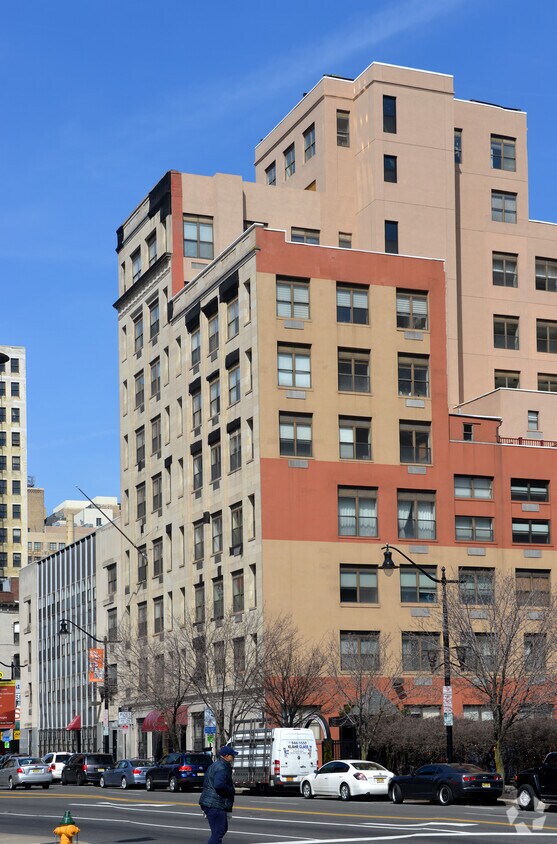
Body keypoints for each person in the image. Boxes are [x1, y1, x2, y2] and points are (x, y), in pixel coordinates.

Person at [199, 744, 238, 844]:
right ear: (226, 756)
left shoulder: (216, 765)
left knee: (221, 830)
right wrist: (231, 790)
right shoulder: (222, 767)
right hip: (215, 804)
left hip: (211, 803)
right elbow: (219, 785)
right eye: (232, 755)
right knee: (218, 832)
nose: (234, 757)